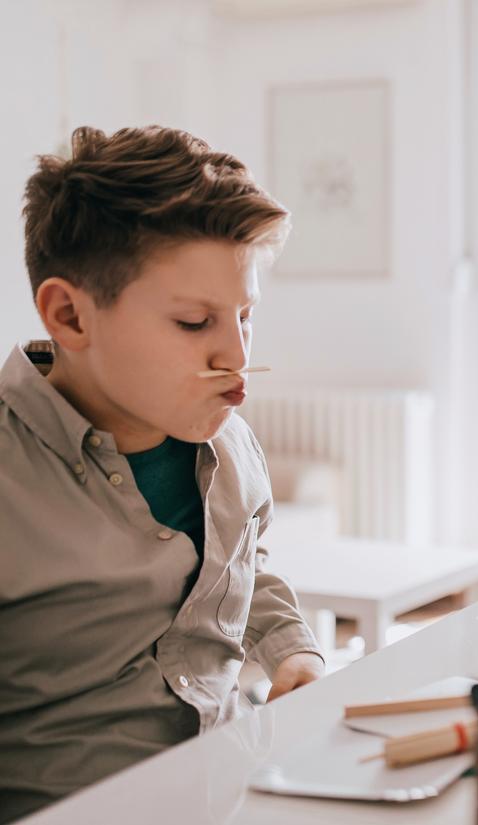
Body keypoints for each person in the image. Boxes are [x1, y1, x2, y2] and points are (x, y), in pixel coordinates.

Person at [0, 126, 324, 821]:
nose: (236, 356)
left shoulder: (232, 443)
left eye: (245, 316)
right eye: (193, 321)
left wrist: (291, 652)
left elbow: (244, 566)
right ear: (68, 314)